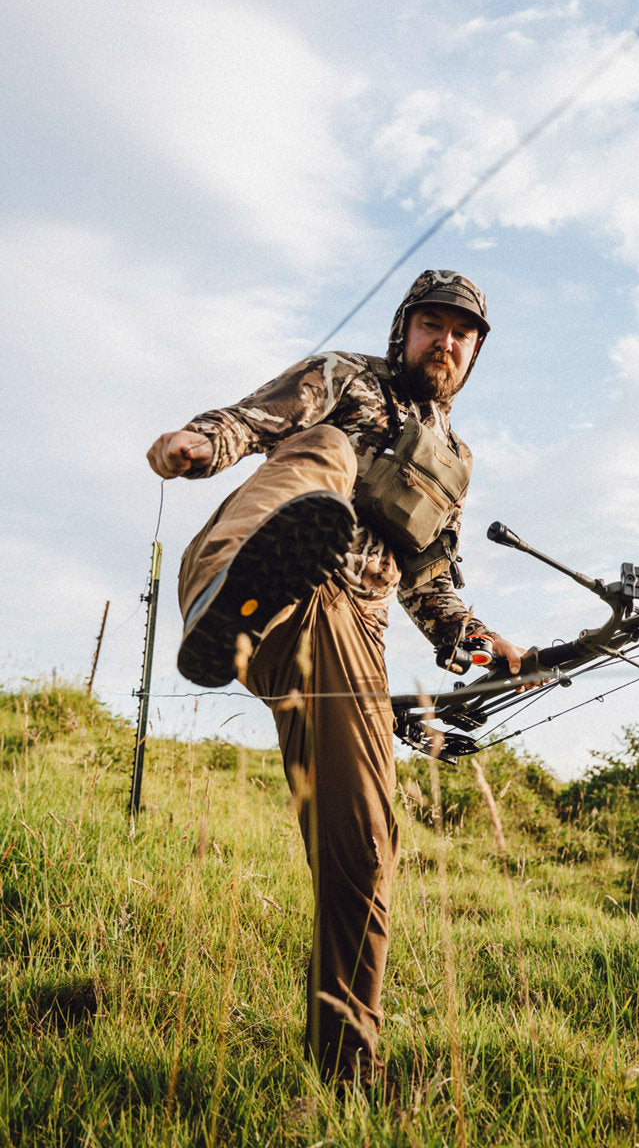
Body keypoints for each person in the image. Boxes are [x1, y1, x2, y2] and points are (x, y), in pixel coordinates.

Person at [147, 269, 526, 1083]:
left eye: (463, 335)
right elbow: (252, 421)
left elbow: (431, 582)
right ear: (406, 331)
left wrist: (482, 639)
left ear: (475, 355)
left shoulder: (453, 461)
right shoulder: (347, 378)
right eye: (433, 325)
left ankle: (343, 1071)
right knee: (320, 447)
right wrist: (197, 444)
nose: (447, 343)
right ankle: (230, 592)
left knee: (364, 846)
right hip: (268, 579)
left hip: (353, 631)